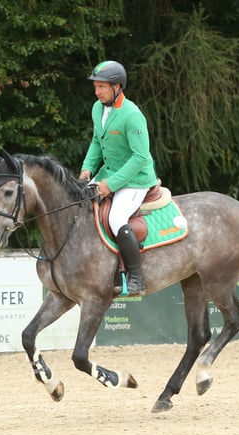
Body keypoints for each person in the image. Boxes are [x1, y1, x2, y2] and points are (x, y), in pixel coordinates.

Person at [78, 60, 158, 295]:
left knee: (116, 218)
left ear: (117, 87)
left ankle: (136, 277)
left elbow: (140, 157)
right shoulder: (97, 108)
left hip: (136, 179)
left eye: (102, 87)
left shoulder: (132, 115)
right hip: (109, 173)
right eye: (95, 86)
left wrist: (110, 185)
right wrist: (87, 169)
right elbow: (96, 141)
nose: (97, 92)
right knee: (80, 204)